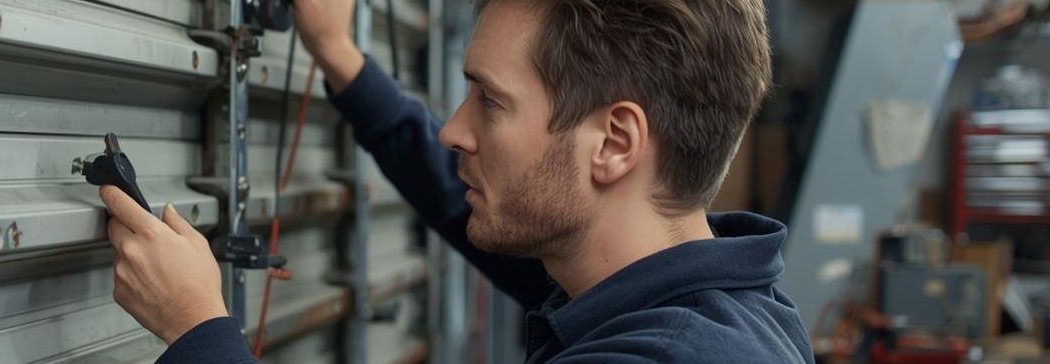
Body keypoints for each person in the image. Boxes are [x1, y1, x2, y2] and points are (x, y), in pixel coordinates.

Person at [94, 0, 813, 362]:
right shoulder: (704, 299)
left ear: (615, 142)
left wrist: (196, 330)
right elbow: (463, 191)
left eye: (490, 101)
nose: (454, 130)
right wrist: (341, 58)